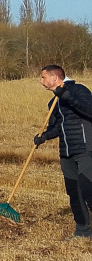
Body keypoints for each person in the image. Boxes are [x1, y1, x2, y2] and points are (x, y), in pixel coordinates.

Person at [34, 64, 92, 239]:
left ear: (55, 78)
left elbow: (89, 110)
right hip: (66, 152)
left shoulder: (78, 90)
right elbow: (58, 127)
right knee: (74, 192)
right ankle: (82, 231)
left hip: (85, 148)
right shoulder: (53, 102)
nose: (41, 81)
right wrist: (44, 136)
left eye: (43, 77)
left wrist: (66, 96)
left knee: (88, 188)